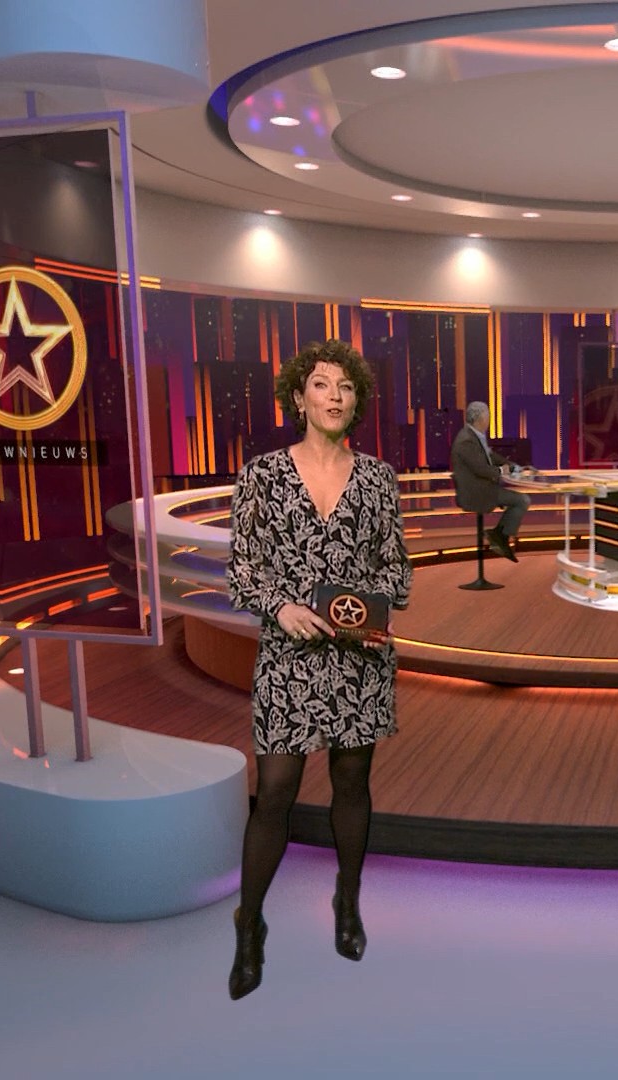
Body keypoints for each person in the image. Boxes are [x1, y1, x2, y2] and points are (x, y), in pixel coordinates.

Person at [223, 340, 413, 998]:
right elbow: (242, 569)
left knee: (352, 783)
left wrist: (370, 613)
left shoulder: (378, 478)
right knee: (275, 790)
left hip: (359, 658)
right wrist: (280, 607)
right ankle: (250, 924)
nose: (336, 396)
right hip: (288, 657)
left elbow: (395, 568)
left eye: (347, 387)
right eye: (323, 385)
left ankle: (348, 901)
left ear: (357, 400)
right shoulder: (262, 475)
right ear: (298, 398)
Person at [450, 401, 529, 562]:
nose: (489, 419)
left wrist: (512, 467)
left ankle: (499, 535)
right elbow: (480, 468)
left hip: (483, 488)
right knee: (522, 500)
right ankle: (499, 536)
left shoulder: (475, 435)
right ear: (480, 418)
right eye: (487, 416)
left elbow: (490, 457)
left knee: (519, 499)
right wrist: (501, 471)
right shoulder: (466, 440)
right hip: (476, 493)